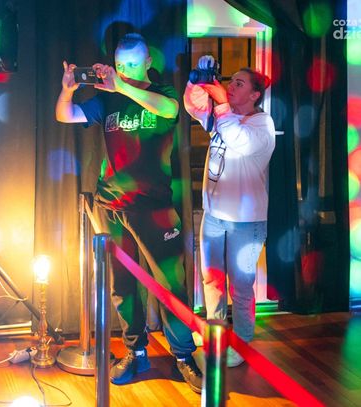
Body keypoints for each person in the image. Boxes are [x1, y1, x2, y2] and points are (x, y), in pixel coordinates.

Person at [55, 33, 202, 393]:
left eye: (133, 64)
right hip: (112, 207)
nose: (125, 70)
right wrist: (68, 89)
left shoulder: (162, 94)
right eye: (121, 65)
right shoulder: (108, 100)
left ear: (148, 63)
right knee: (122, 287)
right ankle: (136, 352)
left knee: (170, 286)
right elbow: (64, 115)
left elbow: (170, 111)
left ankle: (184, 355)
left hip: (154, 209)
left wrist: (121, 86)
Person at [183, 56, 276, 367]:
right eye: (230, 80)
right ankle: (217, 334)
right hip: (214, 216)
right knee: (211, 280)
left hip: (246, 222)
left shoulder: (262, 124)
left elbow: (241, 142)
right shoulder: (223, 117)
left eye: (239, 83)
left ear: (255, 95)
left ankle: (243, 342)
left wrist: (222, 103)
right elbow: (194, 106)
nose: (231, 86)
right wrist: (198, 81)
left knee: (241, 286)